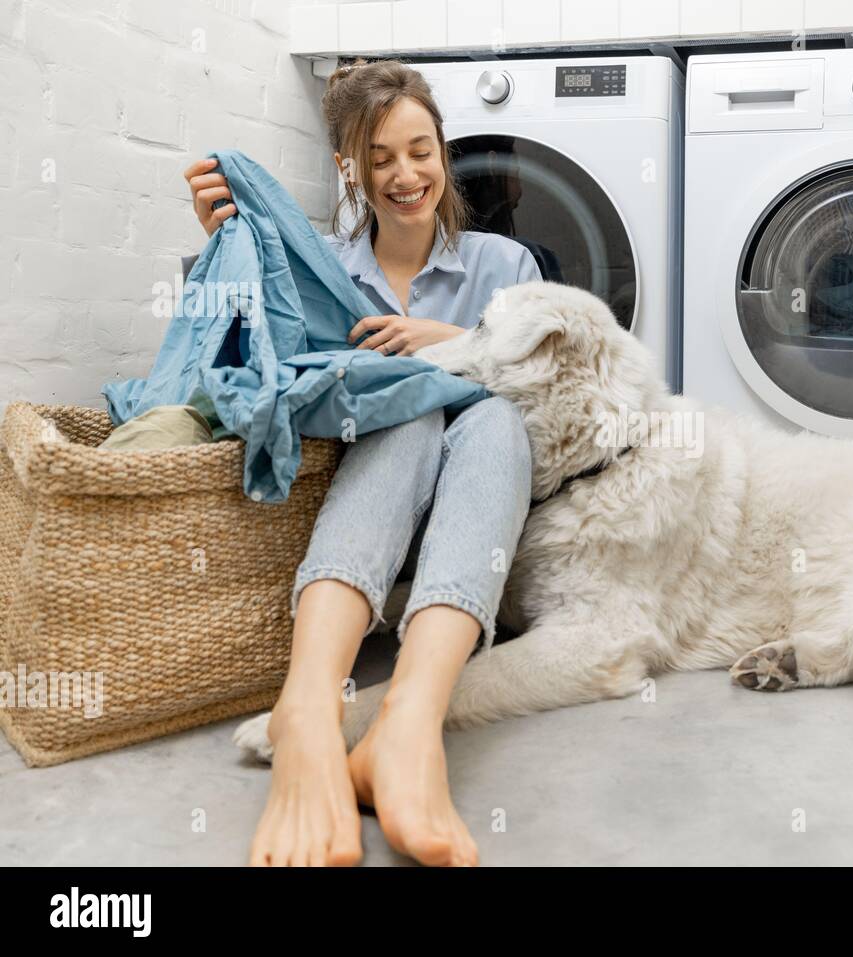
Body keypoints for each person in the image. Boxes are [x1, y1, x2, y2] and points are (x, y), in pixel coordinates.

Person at [182, 59, 541, 867]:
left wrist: (450, 345)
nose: (405, 174)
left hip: (473, 526)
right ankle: (307, 710)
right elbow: (249, 369)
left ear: (444, 153)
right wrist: (231, 252)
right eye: (379, 158)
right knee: (406, 420)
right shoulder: (320, 270)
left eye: (420, 150)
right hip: (366, 518)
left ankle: (408, 723)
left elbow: (559, 376)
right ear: (349, 167)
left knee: (498, 421)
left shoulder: (503, 267)